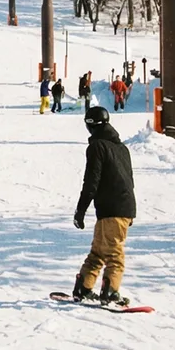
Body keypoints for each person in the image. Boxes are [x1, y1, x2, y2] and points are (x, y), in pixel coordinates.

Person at [71, 106, 137, 306]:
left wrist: (80, 210)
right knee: (99, 251)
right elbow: (129, 181)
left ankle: (109, 291)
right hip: (119, 207)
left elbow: (92, 181)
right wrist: (129, 212)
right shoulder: (122, 148)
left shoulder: (97, 147)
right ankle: (84, 287)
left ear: (89, 125)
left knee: (113, 253)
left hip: (113, 209)